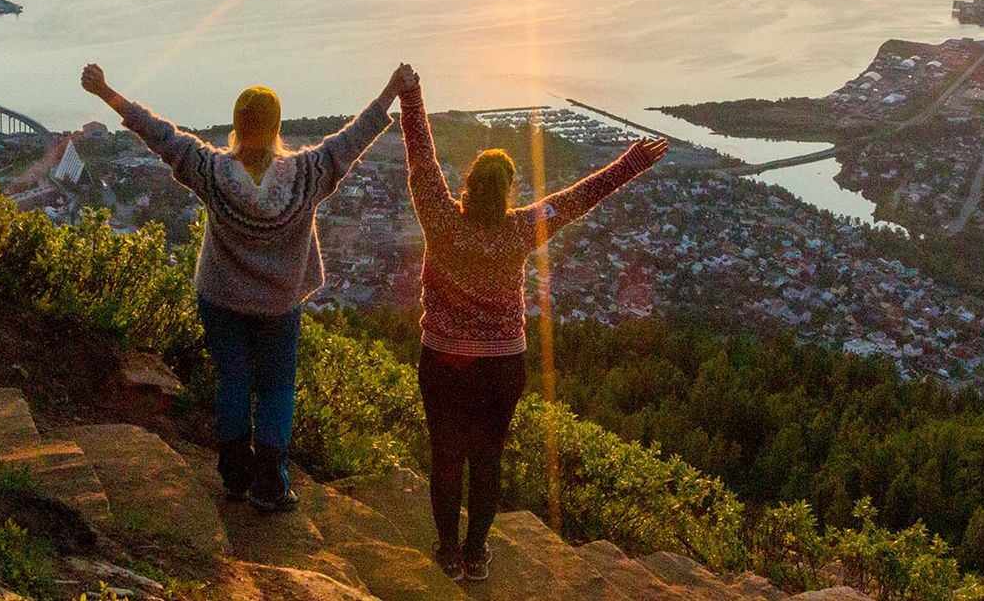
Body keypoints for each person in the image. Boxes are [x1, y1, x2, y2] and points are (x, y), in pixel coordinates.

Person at [82, 62, 412, 512]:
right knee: (276, 389)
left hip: (222, 299)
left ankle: (235, 474)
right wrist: (392, 89)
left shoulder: (213, 173)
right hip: (279, 304)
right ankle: (271, 485)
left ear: (236, 126)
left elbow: (160, 136)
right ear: (277, 126)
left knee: (233, 380)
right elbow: (352, 139)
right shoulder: (307, 176)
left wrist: (107, 92)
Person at [395, 70, 667, 581]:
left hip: (446, 360)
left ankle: (448, 554)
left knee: (447, 455)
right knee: (488, 456)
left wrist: (412, 95)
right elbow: (579, 198)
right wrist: (632, 161)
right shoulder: (523, 226)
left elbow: (421, 161)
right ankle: (477, 555)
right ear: (508, 192)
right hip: (502, 364)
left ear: (468, 186)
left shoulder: (439, 215)